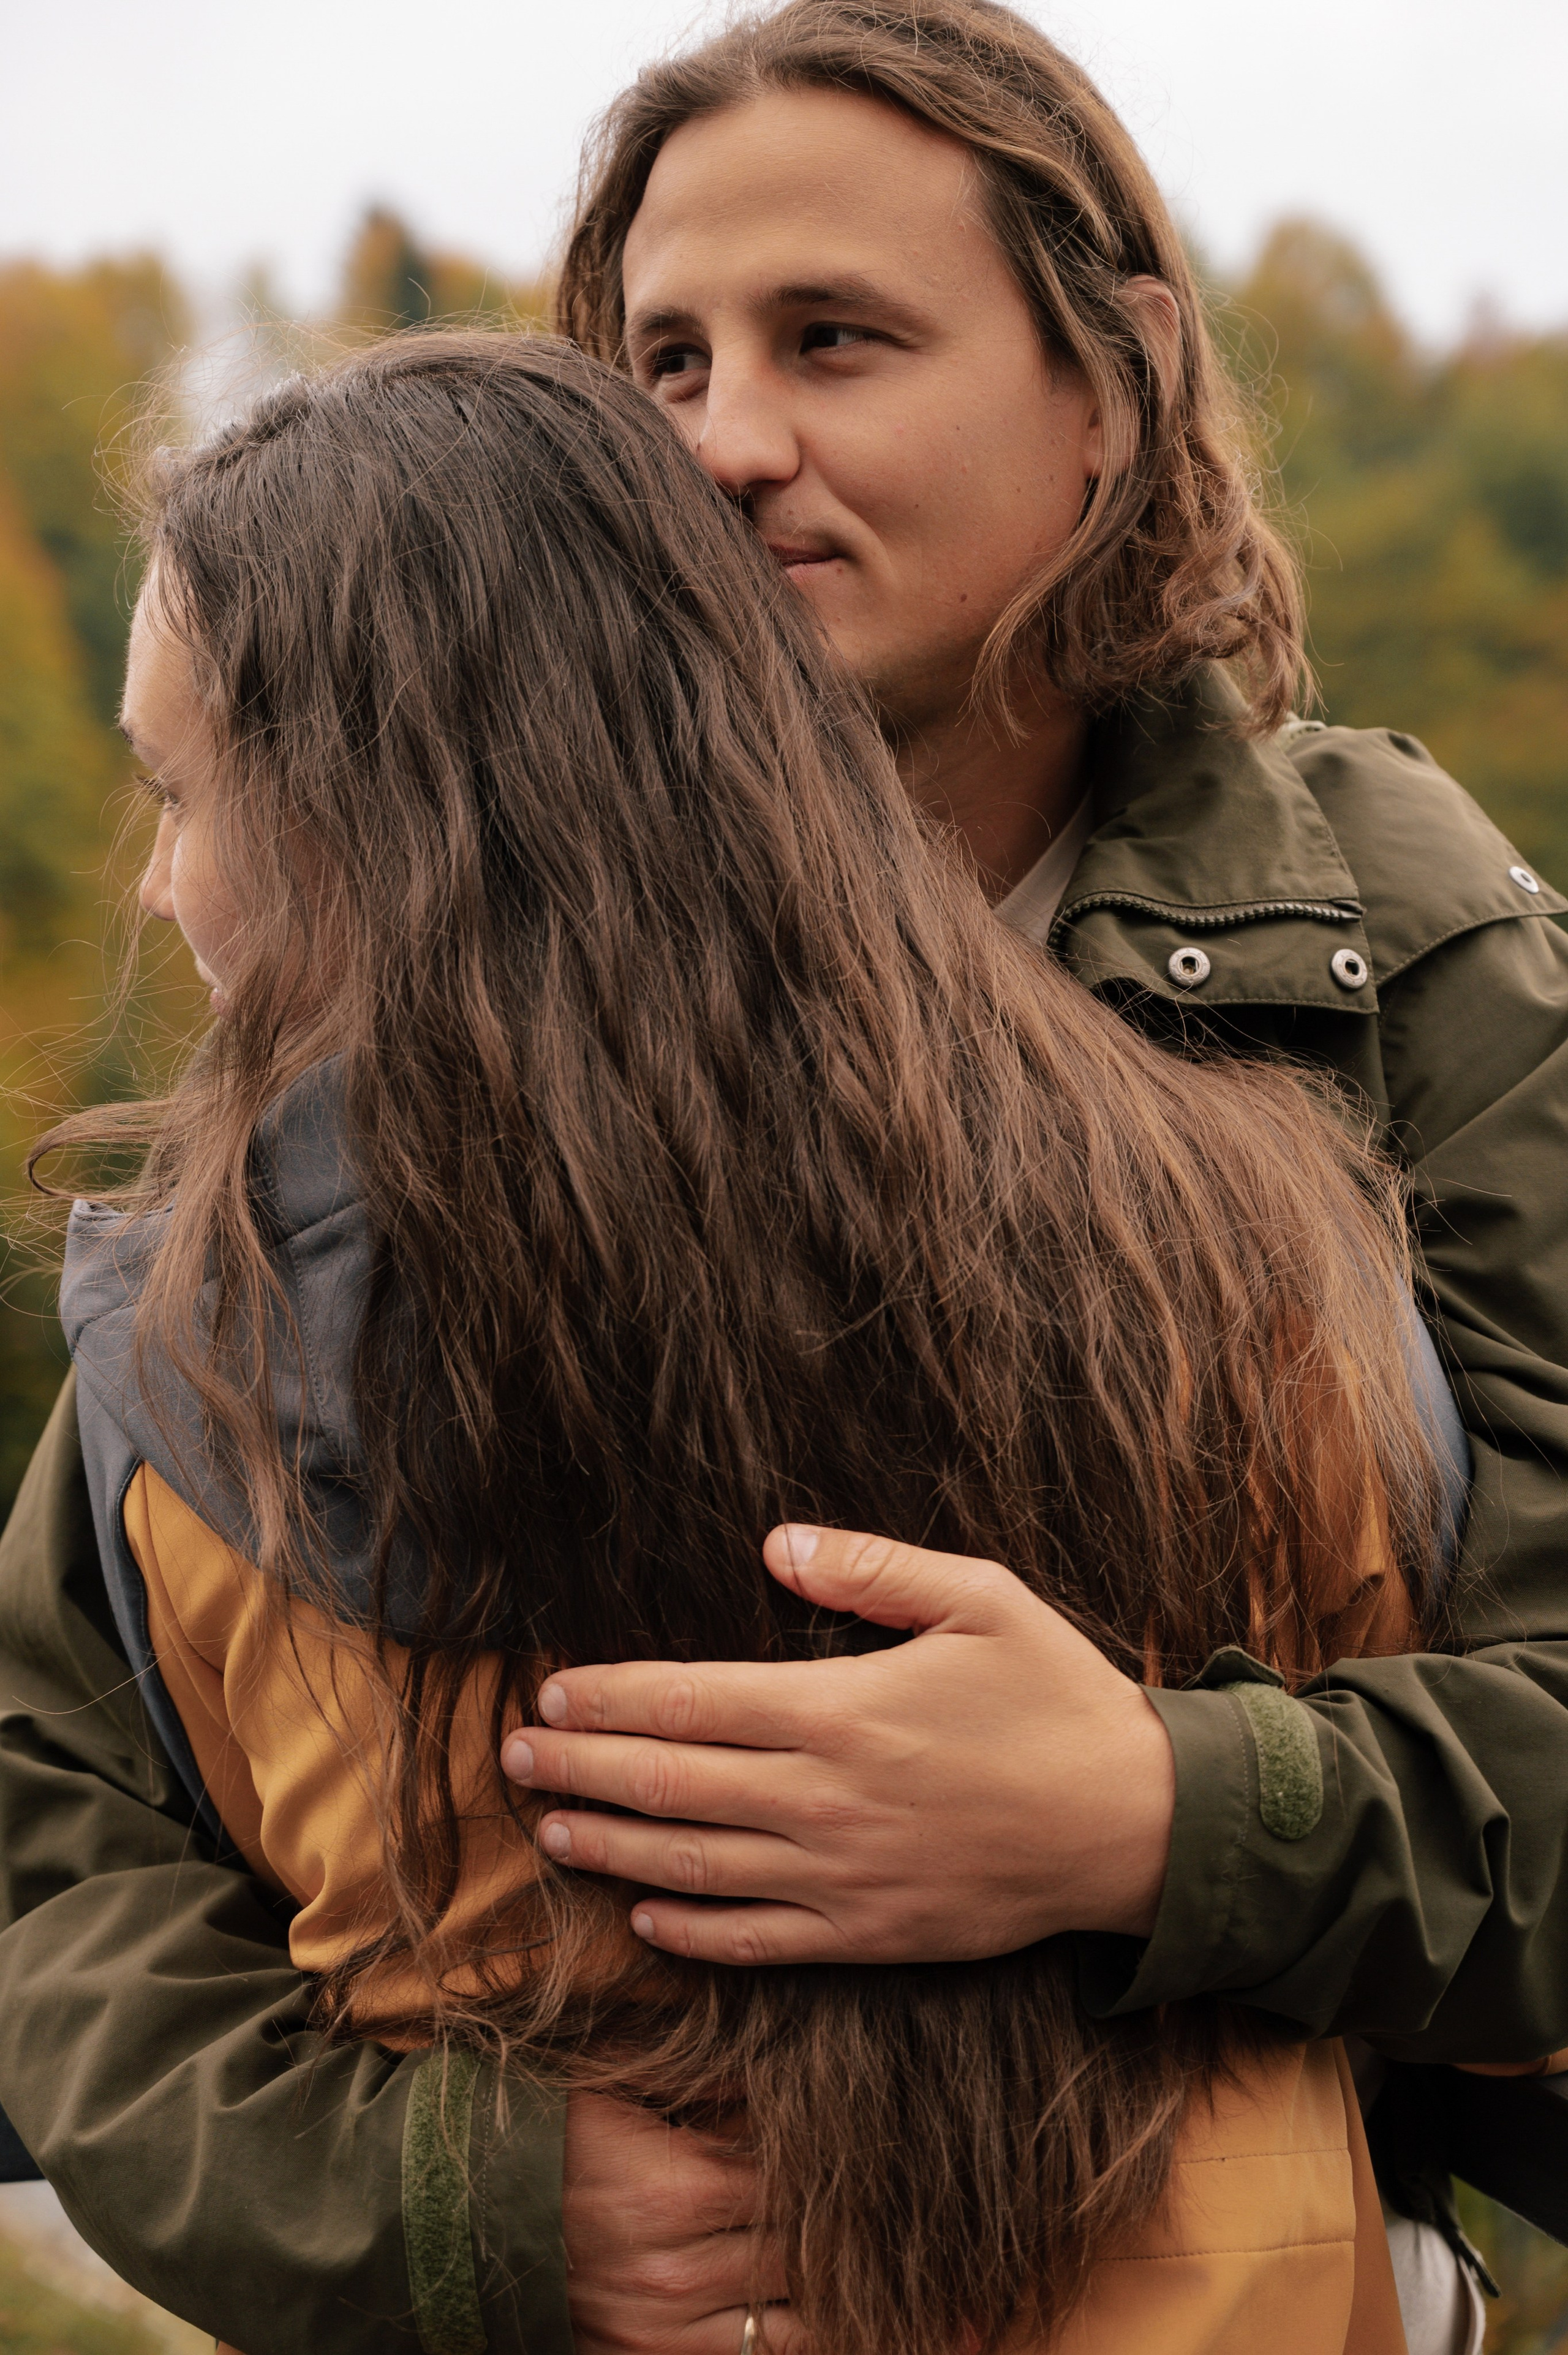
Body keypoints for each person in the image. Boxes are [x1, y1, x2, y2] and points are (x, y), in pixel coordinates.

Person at [0, 2, 1564, 2349]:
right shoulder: (402, 959)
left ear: (1110, 383)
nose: (726, 441)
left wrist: (1148, 1806)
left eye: (834, 337)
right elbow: (79, 1808)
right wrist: (449, 2195)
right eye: (659, 360)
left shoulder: (1390, 949)